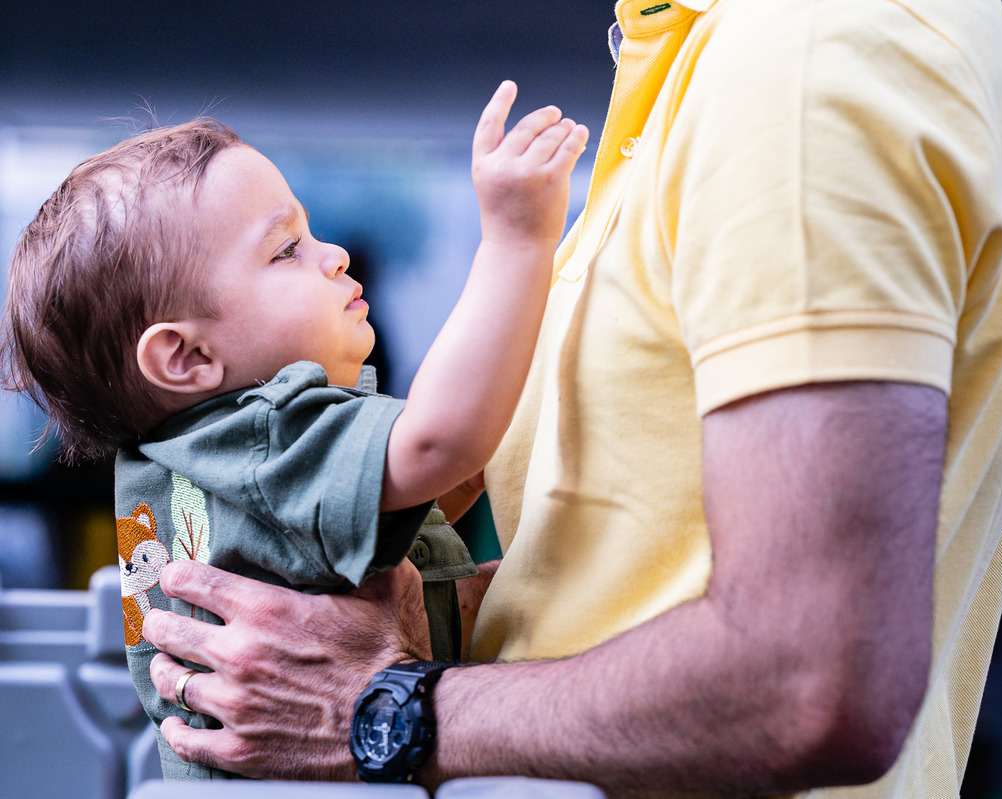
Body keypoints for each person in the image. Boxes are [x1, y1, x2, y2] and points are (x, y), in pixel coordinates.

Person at [128, 0, 1002, 795]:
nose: (325, 256)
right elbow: (616, 561)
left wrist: (384, 708)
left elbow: (806, 677)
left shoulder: (803, 59)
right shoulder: (709, 56)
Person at [0, 82, 588, 779]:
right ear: (186, 357)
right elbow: (438, 444)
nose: (333, 254)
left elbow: (415, 502)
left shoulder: (184, 463)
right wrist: (517, 240)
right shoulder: (266, 433)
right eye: (286, 250)